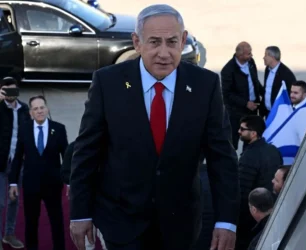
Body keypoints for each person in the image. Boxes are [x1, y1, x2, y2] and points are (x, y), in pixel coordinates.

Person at [69, 4, 240, 250]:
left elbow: (222, 158)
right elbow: (86, 151)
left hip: (179, 226)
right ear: (137, 42)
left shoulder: (206, 86)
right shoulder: (108, 83)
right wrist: (80, 213)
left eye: (171, 42)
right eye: (154, 42)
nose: (164, 53)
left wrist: (226, 221)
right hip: (121, 222)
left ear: (183, 40)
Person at [8, 95, 68, 250]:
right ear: (31, 113)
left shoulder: (59, 128)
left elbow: (66, 157)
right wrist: (13, 182)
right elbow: (17, 158)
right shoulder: (24, 129)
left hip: (53, 185)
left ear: (47, 109)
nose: (40, 111)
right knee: (31, 223)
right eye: (36, 108)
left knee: (57, 222)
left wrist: (69, 181)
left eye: (42, 107)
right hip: (30, 185)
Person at [235, 115, 282, 250]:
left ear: (254, 133)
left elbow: (242, 191)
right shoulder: (273, 150)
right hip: (271, 209)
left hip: (251, 216)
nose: (239, 131)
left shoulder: (249, 157)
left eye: (242, 129)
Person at [61, 141, 107, 250]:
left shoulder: (109, 145)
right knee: (87, 245)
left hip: (105, 204)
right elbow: (65, 172)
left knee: (108, 243)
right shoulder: (74, 147)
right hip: (83, 202)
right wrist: (77, 182)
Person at [0, 77, 29, 249]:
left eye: (13, 90)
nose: (10, 94)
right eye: (6, 90)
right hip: (1, 161)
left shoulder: (25, 109)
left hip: (18, 162)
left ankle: (8, 234)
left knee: (13, 200)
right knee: (0, 202)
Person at [221, 42, 263, 150]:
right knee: (233, 140)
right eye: (248, 54)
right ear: (240, 56)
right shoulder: (228, 70)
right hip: (236, 113)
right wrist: (245, 103)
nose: (251, 56)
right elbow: (227, 94)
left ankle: (248, 160)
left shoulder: (250, 62)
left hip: (253, 109)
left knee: (252, 139)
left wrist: (263, 92)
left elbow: (254, 81)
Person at [261, 46, 296, 118]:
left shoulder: (287, 74)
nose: (263, 58)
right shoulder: (267, 69)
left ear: (272, 57)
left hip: (280, 115)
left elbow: (292, 95)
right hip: (268, 114)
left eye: (266, 55)